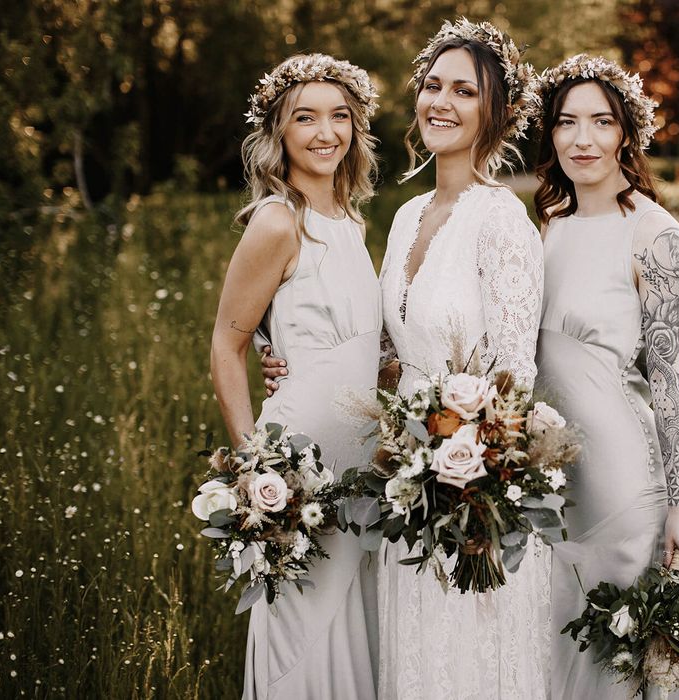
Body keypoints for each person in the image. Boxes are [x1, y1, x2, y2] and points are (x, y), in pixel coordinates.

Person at [263, 18, 551, 699]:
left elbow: (516, 374)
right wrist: (294, 360)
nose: (440, 102)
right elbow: (388, 351)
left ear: (496, 112)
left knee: (471, 664)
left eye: (464, 91)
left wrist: (478, 491)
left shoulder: (503, 219)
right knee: (414, 664)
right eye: (432, 86)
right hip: (406, 483)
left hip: (472, 495)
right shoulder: (406, 215)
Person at [531, 54, 679, 699]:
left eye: (600, 123)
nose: (583, 140)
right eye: (567, 123)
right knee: (556, 645)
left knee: (620, 660)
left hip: (622, 483)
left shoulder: (655, 237)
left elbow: (668, 381)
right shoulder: (548, 227)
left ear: (626, 134)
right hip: (552, 486)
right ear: (549, 133)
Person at [209, 53, 381, 700]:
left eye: (339, 116)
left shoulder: (352, 223)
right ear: (279, 131)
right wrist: (257, 466)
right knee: (300, 643)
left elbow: (358, 345)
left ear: (356, 129)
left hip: (361, 467)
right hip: (300, 469)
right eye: (304, 117)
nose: (324, 132)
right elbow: (224, 347)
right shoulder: (278, 221)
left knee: (353, 633)